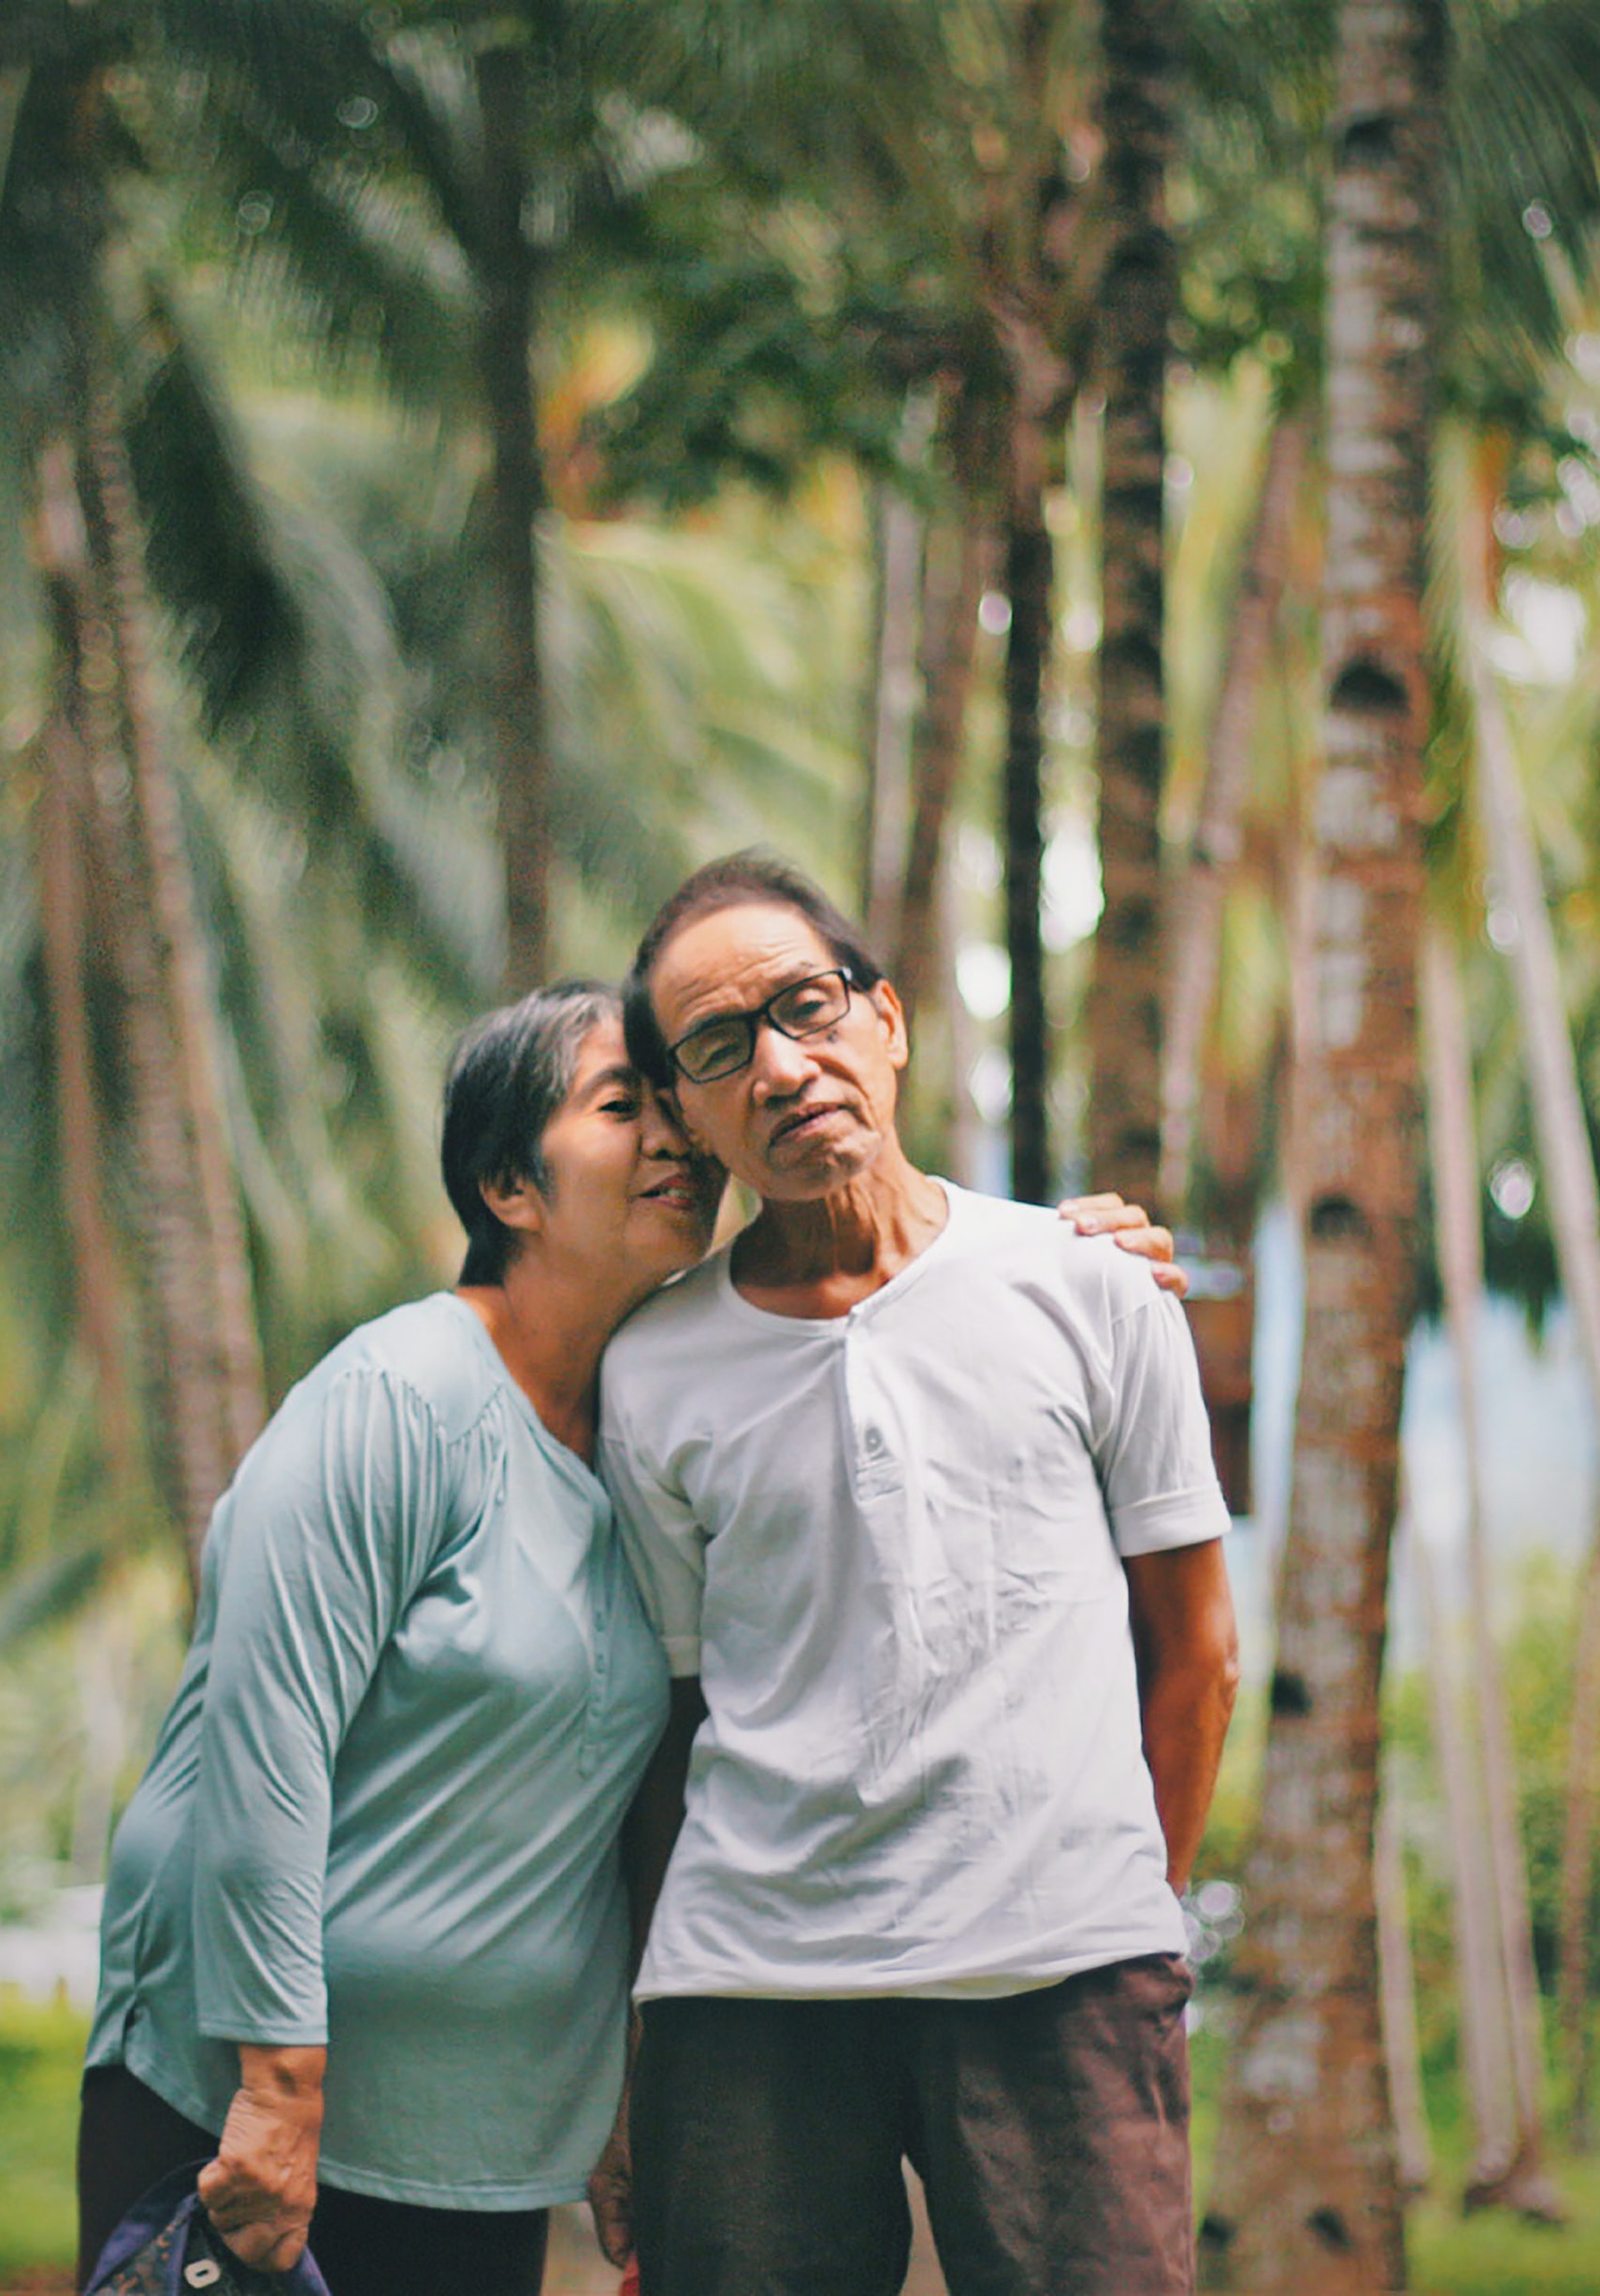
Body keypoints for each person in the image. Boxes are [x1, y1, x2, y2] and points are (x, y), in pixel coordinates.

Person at [78, 979, 1182, 2296]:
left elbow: (629, 1814)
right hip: (248, 2114)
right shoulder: (397, 1397)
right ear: (510, 1188)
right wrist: (275, 2082)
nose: (675, 1141)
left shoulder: (658, 1426)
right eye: (621, 1108)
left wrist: (1074, 1256)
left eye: (678, 1113)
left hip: (475, 2140)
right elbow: (265, 1745)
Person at [606, 853, 1242, 2296]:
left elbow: (1197, 1655)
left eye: (808, 1006)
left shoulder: (1090, 1290)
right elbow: (671, 1727)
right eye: (719, 1047)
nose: (780, 1065)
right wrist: (642, 2053)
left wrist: (1132, 1925)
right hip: (749, 2005)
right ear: (694, 1113)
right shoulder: (654, 1369)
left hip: (1064, 1991)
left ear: (887, 1019)